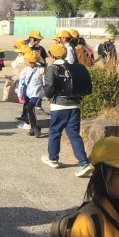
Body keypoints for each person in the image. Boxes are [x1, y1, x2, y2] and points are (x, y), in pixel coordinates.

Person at [42, 43, 95, 178]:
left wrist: (48, 96)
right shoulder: (72, 67)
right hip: (75, 106)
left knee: (55, 132)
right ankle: (84, 163)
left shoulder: (52, 68)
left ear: (52, 55)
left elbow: (49, 86)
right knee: (74, 134)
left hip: (59, 106)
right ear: (65, 54)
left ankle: (53, 158)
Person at [18, 53, 43, 137]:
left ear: (30, 62)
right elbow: (22, 78)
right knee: (28, 108)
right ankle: (33, 127)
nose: (25, 62)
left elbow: (45, 82)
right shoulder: (27, 69)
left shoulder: (41, 70)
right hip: (28, 92)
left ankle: (35, 128)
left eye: (26, 61)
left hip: (36, 93)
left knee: (30, 108)